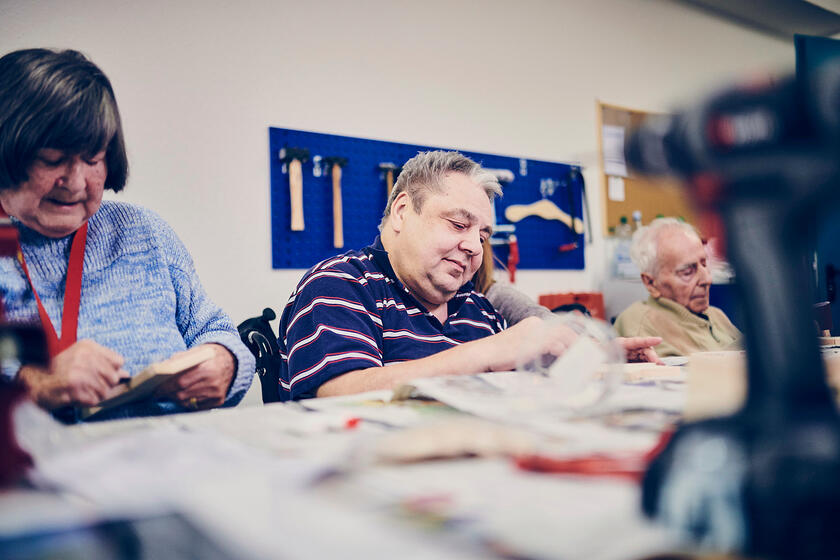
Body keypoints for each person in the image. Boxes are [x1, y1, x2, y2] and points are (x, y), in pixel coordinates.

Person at [277, 150, 661, 401]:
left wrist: (596, 359)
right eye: (459, 224)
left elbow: (521, 387)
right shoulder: (339, 285)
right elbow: (337, 393)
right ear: (401, 212)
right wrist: (491, 351)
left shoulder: (475, 307)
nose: (477, 248)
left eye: (483, 235)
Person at [0, 48, 254, 421]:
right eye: (52, 160)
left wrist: (225, 362)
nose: (74, 183)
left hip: (170, 457)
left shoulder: (144, 232)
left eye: (92, 160)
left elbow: (216, 330)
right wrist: (35, 385)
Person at [614, 217, 741, 357]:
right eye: (687, 272)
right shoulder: (641, 322)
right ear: (651, 283)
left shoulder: (716, 314)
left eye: (704, 264)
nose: (707, 279)